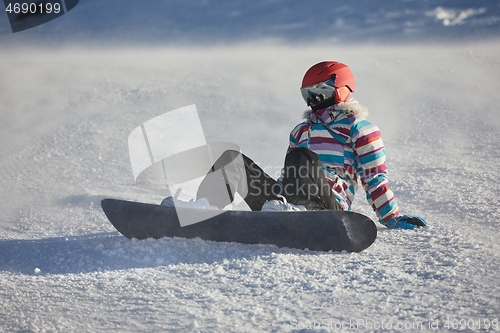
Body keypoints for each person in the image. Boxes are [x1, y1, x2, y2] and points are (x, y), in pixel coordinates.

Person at [162, 61, 427, 229]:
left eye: (318, 93)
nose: (312, 101)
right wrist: (275, 194)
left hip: (326, 208)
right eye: (307, 95)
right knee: (231, 159)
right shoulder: (301, 130)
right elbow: (290, 174)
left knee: (302, 157)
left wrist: (392, 217)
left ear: (341, 89)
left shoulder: (359, 127)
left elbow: (374, 177)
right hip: (284, 203)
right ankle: (203, 208)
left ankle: (294, 211)